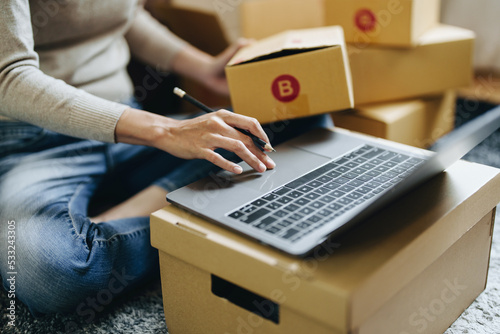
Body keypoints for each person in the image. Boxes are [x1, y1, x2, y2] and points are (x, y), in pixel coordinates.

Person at [0, 0, 331, 317]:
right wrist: (167, 131)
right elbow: (8, 77)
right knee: (53, 272)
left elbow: (122, 17)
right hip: (36, 144)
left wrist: (204, 67)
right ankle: (200, 212)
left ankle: (147, 205)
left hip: (127, 123)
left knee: (300, 119)